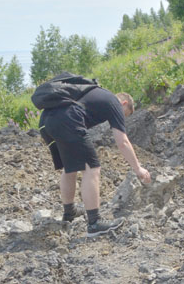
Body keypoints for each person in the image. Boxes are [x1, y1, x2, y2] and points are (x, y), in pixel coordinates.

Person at [39, 87, 151, 237]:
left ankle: (69, 212)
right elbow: (122, 142)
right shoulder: (113, 102)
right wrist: (138, 168)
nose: (122, 118)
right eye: (125, 115)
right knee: (92, 168)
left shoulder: (95, 94)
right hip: (67, 121)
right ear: (124, 103)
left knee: (70, 167)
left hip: (47, 122)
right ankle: (94, 223)